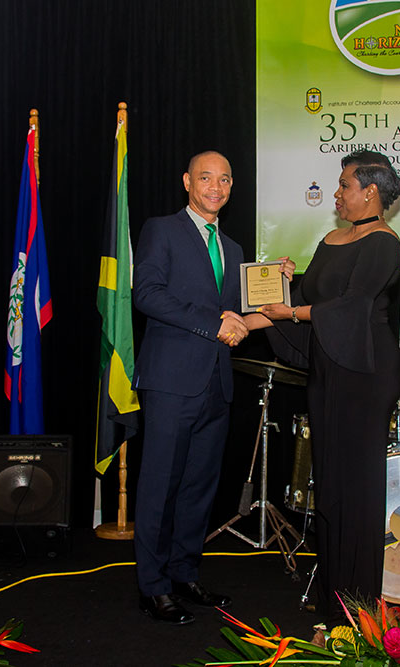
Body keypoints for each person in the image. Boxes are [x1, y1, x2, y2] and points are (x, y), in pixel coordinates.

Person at [245, 149, 400, 618]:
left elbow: (350, 308)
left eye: (344, 185)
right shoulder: (332, 238)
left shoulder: (384, 242)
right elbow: (301, 300)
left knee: (357, 489)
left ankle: (359, 609)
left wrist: (292, 311)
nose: (336, 194)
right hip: (328, 368)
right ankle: (335, 602)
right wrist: (242, 320)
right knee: (330, 486)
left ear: (370, 192)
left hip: (364, 373)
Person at [132, 150, 248, 625]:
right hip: (171, 383)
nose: (215, 187)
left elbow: (238, 314)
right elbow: (147, 294)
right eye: (206, 178)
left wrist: (275, 284)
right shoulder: (161, 230)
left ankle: (184, 574)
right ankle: (153, 587)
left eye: (225, 179)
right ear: (187, 181)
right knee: (160, 486)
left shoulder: (233, 249)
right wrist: (211, 324)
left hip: (216, 384)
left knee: (199, 488)